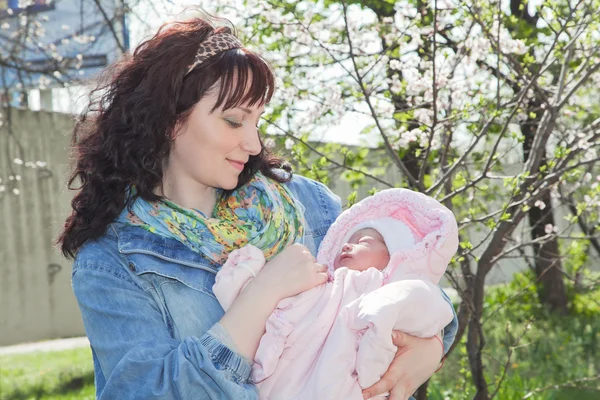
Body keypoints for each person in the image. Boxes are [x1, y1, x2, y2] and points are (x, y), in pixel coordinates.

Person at [57, 12, 458, 400]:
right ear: (168, 120)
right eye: (234, 121)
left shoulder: (308, 204)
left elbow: (404, 279)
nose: (253, 144)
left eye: (257, 121)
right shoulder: (112, 262)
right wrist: (261, 296)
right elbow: (149, 393)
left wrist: (431, 342)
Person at [212, 188, 458, 399]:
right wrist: (245, 274)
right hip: (282, 383)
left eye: (364, 241)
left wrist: (386, 314)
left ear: (396, 257)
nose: (347, 245)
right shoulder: (318, 284)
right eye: (346, 241)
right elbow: (270, 309)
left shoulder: (389, 289)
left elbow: (430, 307)